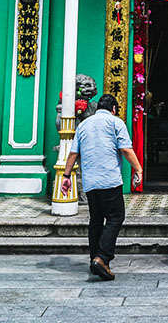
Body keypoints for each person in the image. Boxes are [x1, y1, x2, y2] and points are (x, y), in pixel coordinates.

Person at [61, 93, 143, 281]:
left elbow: (73, 153)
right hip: (109, 180)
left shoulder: (83, 125)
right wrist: (138, 169)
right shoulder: (116, 123)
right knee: (115, 217)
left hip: (90, 182)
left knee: (96, 220)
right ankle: (103, 257)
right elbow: (125, 149)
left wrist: (67, 176)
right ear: (113, 109)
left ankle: (94, 260)